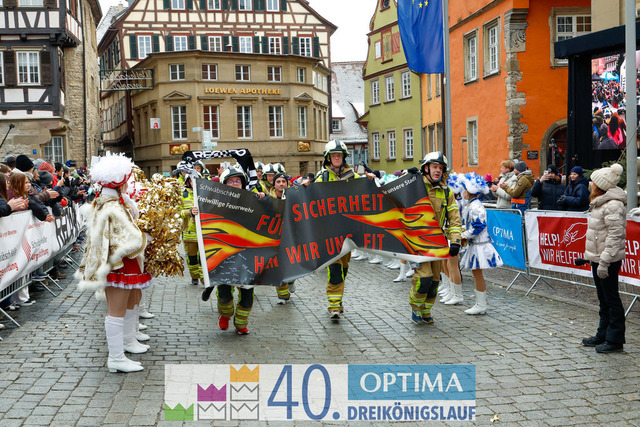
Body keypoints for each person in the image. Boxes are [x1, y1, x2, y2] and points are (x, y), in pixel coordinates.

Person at [75, 153, 152, 373]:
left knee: (121, 308)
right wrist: (147, 238)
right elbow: (127, 241)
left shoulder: (106, 202)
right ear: (119, 182)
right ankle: (116, 358)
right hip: (117, 264)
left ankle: (125, 345)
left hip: (115, 263)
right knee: (116, 311)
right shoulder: (113, 206)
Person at [303, 140, 376, 320]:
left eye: (339, 155)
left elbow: (367, 195)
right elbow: (310, 197)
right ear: (328, 158)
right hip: (329, 232)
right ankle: (334, 305)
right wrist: (304, 187)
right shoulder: (322, 177)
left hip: (348, 231)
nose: (336, 158)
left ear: (343, 158)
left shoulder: (354, 177)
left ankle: (338, 298)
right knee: (334, 268)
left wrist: (370, 182)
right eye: (333, 155)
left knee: (343, 268)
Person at [575, 163, 626, 353]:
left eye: (593, 181)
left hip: (608, 260)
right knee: (603, 299)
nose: (590, 183)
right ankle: (603, 334)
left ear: (600, 185)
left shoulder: (613, 205)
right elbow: (598, 234)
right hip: (599, 258)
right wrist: (592, 258)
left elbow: (614, 236)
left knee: (611, 299)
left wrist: (604, 261)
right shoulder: (600, 202)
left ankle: (615, 339)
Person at [408, 151, 462, 324]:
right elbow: (394, 195)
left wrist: (455, 241)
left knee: (434, 281)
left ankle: (426, 310)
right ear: (426, 168)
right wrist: (407, 178)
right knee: (423, 278)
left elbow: (454, 218)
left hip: (438, 242)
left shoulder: (447, 192)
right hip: (418, 241)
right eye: (434, 167)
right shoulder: (415, 186)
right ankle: (416, 308)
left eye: (440, 168)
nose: (438, 170)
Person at [204, 166, 255, 335]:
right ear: (224, 185)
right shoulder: (214, 204)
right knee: (225, 297)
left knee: (247, 298)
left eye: (237, 181)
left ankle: (241, 324)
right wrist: (194, 212)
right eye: (230, 181)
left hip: (247, 256)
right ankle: (225, 315)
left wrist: (264, 200)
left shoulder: (253, 201)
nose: (234, 184)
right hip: (224, 257)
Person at [459, 172, 504, 315]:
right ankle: (480, 303)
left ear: (468, 191)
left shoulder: (475, 206)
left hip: (480, 245)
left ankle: (481, 304)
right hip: (476, 244)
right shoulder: (472, 204)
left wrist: (464, 235)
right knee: (476, 274)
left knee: (477, 274)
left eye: (464, 189)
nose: (463, 192)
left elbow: (479, 226)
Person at [268, 172, 296, 304]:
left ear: (287, 184)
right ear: (274, 184)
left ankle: (291, 280)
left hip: (291, 236)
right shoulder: (268, 199)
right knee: (278, 266)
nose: (281, 184)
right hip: (275, 238)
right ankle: (283, 295)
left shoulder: (294, 197)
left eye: (283, 181)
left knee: (291, 263)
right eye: (278, 182)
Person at [439, 172, 465, 305]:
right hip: (446, 233)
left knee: (452, 265)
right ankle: (448, 288)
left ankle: (456, 293)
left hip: (453, 234)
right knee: (445, 263)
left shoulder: (458, 202)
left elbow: (455, 219)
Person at [177, 161, 203, 286]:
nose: (194, 183)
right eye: (192, 181)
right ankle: (194, 277)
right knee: (192, 259)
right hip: (189, 234)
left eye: (196, 180)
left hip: (203, 233)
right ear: (188, 182)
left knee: (203, 259)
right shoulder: (183, 195)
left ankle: (204, 280)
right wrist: (189, 213)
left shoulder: (206, 195)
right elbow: (177, 213)